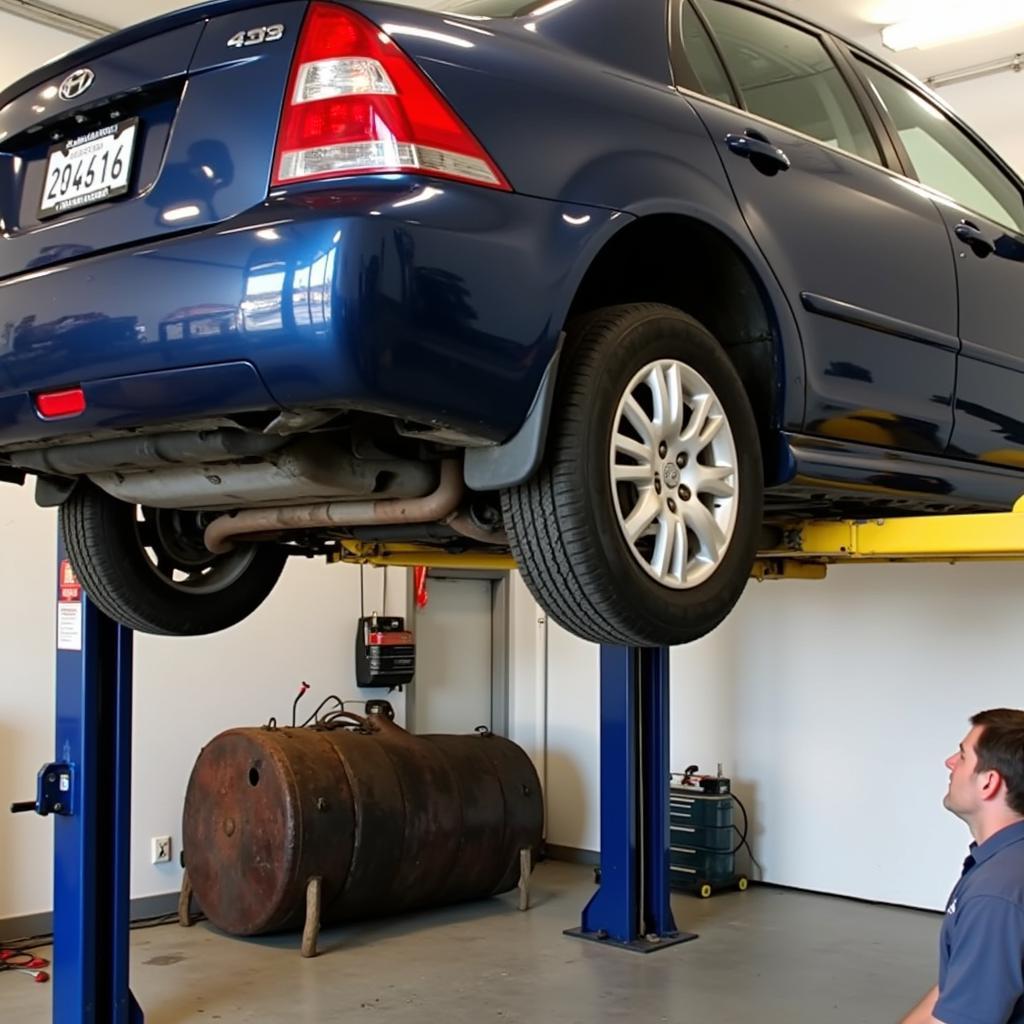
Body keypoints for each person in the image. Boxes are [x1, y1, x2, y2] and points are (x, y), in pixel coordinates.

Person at [902, 709, 1024, 1024]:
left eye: (962, 755)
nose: (950, 763)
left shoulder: (996, 893)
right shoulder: (1003, 861)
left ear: (989, 783)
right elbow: (957, 986)